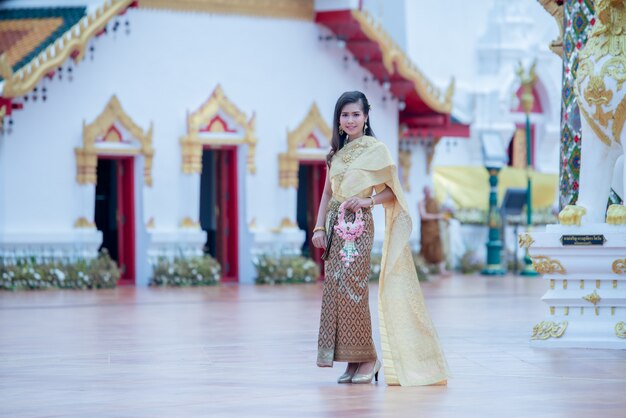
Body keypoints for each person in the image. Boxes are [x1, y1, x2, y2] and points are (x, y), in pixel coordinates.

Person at [312, 91, 449, 386]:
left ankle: (369, 358)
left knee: (354, 289)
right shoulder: (334, 154)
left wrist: (367, 202)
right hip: (335, 224)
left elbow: (392, 192)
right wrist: (319, 228)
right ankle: (354, 360)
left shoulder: (377, 150)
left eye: (355, 114)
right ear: (338, 120)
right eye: (345, 115)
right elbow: (326, 194)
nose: (350, 120)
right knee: (336, 290)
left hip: (359, 225)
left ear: (366, 117)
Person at [418, 186, 452, 277]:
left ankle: (442, 270)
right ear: (424, 192)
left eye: (429, 191)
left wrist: (446, 219)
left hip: (435, 230)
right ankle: (424, 269)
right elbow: (424, 216)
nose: (428, 193)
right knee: (426, 248)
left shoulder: (435, 202)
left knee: (438, 248)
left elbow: (441, 213)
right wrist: (438, 216)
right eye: (426, 192)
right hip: (426, 231)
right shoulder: (421, 203)